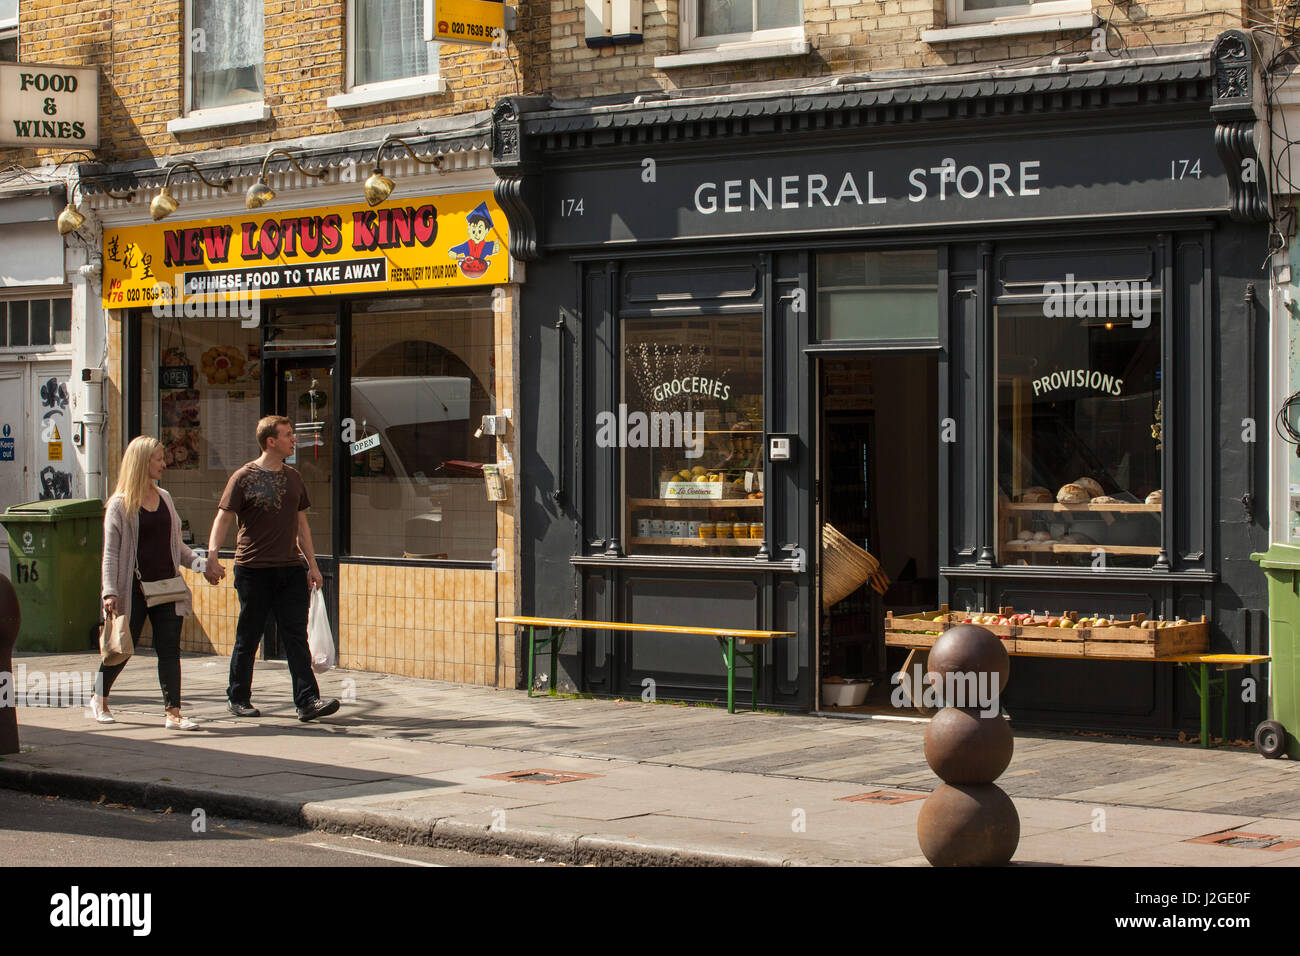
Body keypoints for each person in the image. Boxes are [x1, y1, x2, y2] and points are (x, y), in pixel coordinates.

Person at [204, 415, 339, 722]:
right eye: (288, 435)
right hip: (253, 569)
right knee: (249, 636)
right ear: (271, 441)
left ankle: (308, 701)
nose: (294, 439)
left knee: (295, 636)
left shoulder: (293, 477)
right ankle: (238, 697)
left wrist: (313, 565)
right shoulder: (243, 477)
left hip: (290, 568)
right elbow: (223, 519)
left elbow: (302, 525)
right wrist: (212, 556)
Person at [97, 436, 201, 731]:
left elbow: (177, 546)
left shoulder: (165, 498)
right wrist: (110, 592)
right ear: (143, 462)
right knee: (121, 648)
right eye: (158, 459)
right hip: (133, 589)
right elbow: (111, 553)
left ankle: (173, 713)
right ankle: (99, 697)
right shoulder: (120, 505)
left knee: (170, 650)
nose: (163, 463)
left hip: (167, 586)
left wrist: (200, 565)